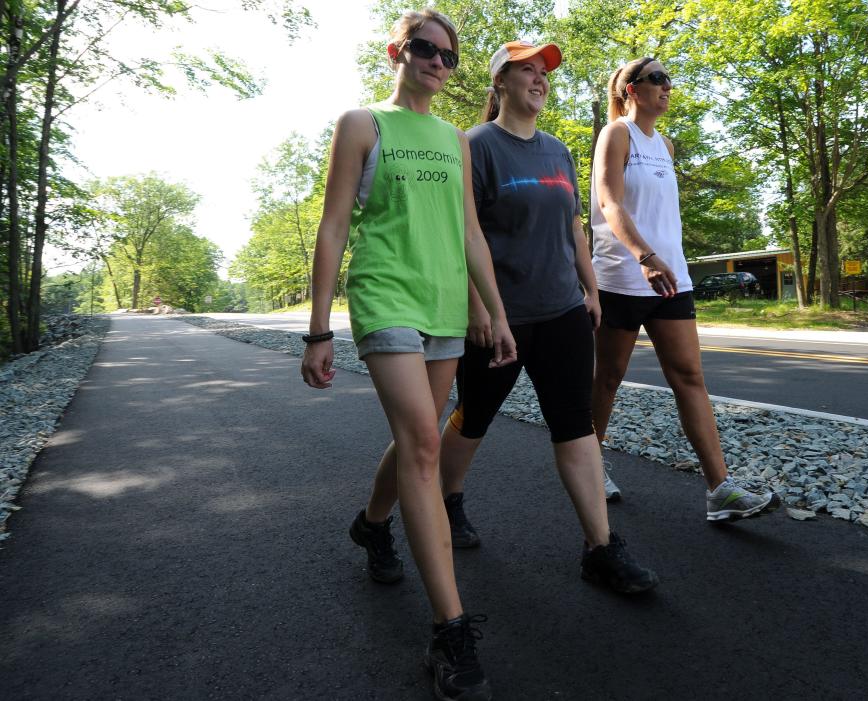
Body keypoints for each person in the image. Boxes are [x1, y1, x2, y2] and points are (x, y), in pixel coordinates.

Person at [300, 10, 517, 700]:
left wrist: (494, 310)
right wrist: (317, 328)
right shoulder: (363, 123)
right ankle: (450, 631)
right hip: (385, 293)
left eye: (448, 55)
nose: (436, 62)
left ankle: (371, 525)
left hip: (446, 302)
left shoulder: (456, 139)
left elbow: (471, 234)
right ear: (397, 51)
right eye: (424, 48)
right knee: (425, 439)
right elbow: (334, 224)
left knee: (418, 432)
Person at [436, 40, 659, 595]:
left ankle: (601, 548)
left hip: (561, 310)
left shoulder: (558, 151)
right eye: (527, 71)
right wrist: (478, 307)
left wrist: (591, 289)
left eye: (544, 73)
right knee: (476, 414)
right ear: (500, 84)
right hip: (503, 317)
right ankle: (445, 499)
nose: (539, 79)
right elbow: (462, 235)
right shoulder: (475, 146)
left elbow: (574, 228)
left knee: (575, 423)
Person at [590, 57, 780, 521]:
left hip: (671, 277)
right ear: (631, 90)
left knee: (690, 378)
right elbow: (608, 202)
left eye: (668, 79)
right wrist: (644, 257)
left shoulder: (665, 145)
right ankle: (588, 463)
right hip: (622, 276)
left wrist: (663, 262)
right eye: (656, 79)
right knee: (608, 378)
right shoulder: (617, 134)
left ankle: (720, 488)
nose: (666, 86)